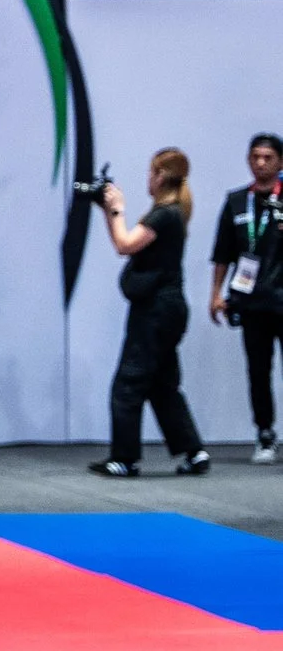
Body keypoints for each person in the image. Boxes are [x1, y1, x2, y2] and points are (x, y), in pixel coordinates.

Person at [93, 149, 212, 477]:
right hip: (169, 309)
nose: (147, 178)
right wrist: (109, 211)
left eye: (150, 172)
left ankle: (124, 458)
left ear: (160, 176)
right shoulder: (174, 213)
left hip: (155, 311)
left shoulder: (163, 214)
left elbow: (124, 244)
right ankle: (194, 451)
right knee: (162, 385)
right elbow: (125, 242)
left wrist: (115, 209)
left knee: (128, 383)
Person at [210, 133, 283, 465]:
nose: (261, 163)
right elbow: (223, 252)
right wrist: (216, 294)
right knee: (258, 370)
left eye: (268, 157)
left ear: (280, 162)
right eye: (255, 157)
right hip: (251, 302)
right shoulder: (237, 201)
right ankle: (265, 433)